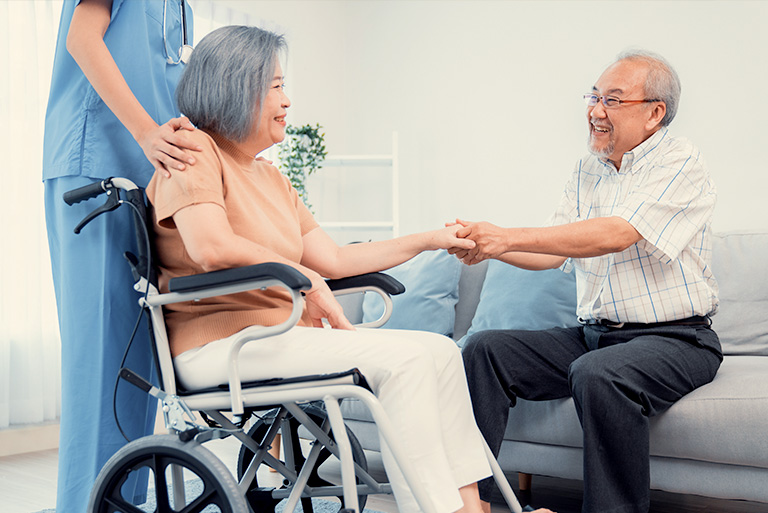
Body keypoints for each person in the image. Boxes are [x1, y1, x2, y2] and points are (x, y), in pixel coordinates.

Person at [145, 25, 554, 513]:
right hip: (222, 346)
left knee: (442, 351)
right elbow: (209, 246)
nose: (287, 100)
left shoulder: (271, 176)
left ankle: (472, 507)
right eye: (276, 86)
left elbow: (335, 260)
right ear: (237, 86)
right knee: (403, 362)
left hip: (275, 339)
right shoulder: (191, 153)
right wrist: (302, 277)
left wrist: (429, 239)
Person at [455, 50, 722, 513]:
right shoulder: (586, 170)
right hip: (595, 336)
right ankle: (474, 501)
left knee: (597, 373)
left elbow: (616, 233)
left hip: (678, 339)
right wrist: (490, 247)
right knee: (483, 348)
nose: (596, 111)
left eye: (612, 100)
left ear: (654, 112)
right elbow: (553, 249)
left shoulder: (681, 161)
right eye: (594, 97)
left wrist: (508, 235)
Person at [42, 1, 200, 510]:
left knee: (140, 360)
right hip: (96, 166)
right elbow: (82, 39)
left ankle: (122, 502)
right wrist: (144, 133)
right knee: (101, 357)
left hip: (150, 177)